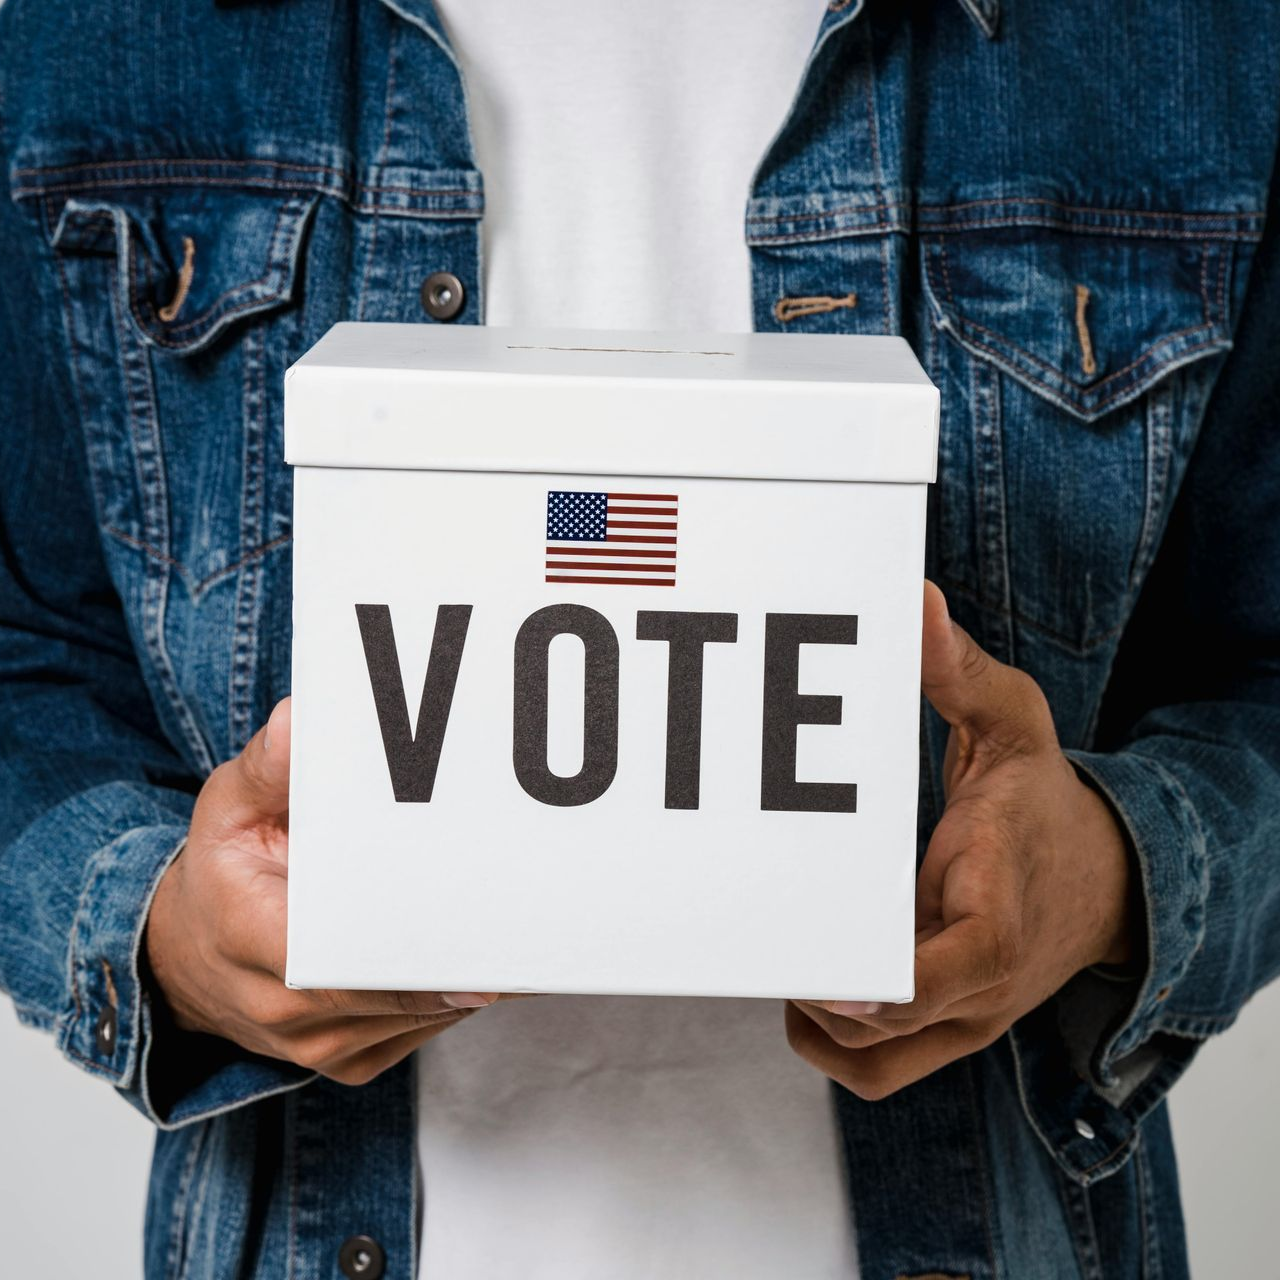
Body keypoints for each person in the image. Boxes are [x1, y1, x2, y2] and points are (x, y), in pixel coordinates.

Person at [1, 1, 1278, 1277]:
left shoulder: (1187, 40)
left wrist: (1109, 869)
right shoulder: (84, 33)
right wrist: (155, 923)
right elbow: (31, 644)